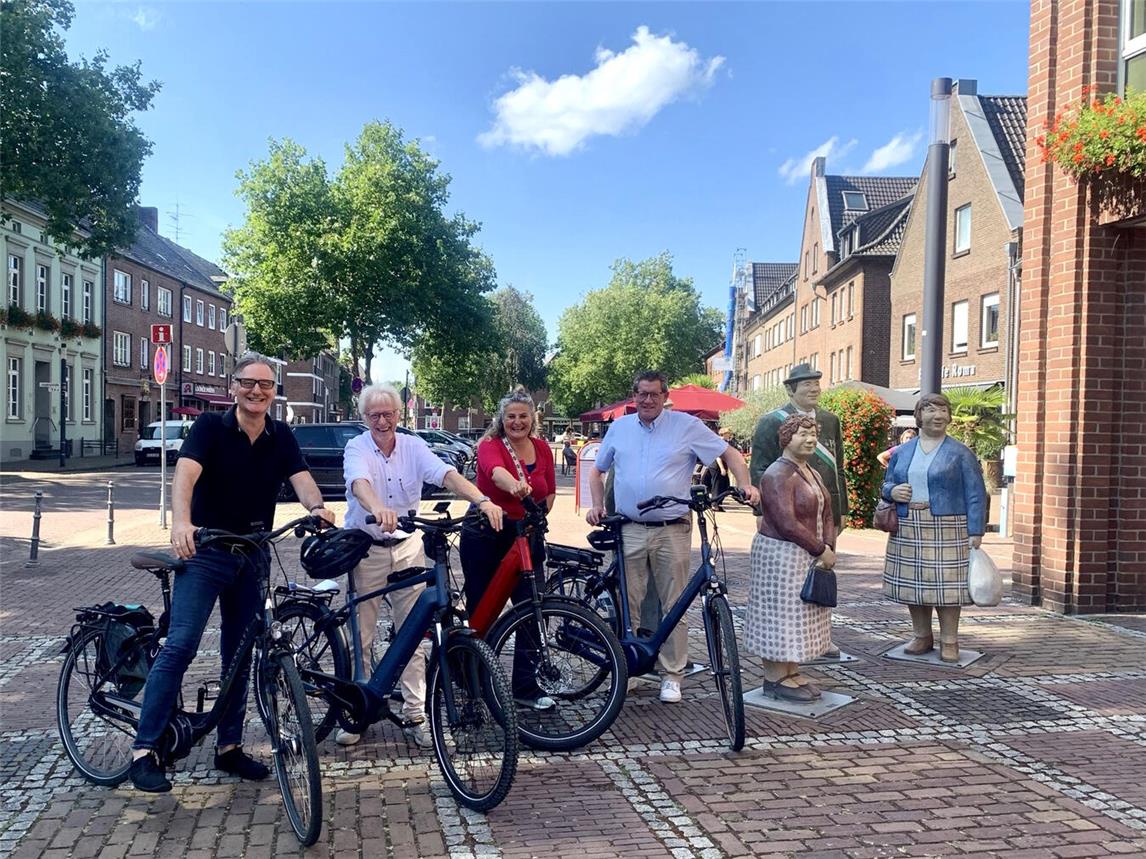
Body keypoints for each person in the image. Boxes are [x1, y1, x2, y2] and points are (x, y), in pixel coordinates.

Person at [129, 353, 336, 793]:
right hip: (206, 551)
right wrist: (181, 523)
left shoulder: (281, 435)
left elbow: (301, 478)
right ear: (233, 386)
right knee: (181, 645)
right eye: (248, 382)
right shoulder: (210, 427)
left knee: (240, 653)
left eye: (265, 384)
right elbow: (185, 476)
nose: (257, 391)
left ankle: (229, 746)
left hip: (254, 553)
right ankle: (144, 751)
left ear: (274, 391)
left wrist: (317, 507)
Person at [337, 384, 504, 747]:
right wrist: (377, 507)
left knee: (413, 633)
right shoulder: (357, 447)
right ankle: (357, 712)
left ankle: (416, 715)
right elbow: (359, 482)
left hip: (407, 547)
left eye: (388, 414)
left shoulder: (413, 446)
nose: (382, 421)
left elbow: (444, 474)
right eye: (374, 415)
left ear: (399, 414)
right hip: (366, 548)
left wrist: (481, 499)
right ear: (364, 418)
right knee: (361, 635)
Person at [586, 371, 760, 703]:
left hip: (672, 529)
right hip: (629, 528)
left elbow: (731, 454)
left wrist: (745, 484)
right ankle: (627, 669)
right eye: (642, 394)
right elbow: (597, 471)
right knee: (627, 603)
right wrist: (597, 505)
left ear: (666, 397)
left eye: (654, 394)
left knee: (674, 604)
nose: (647, 400)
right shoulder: (620, 428)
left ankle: (671, 674)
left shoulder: (686, 426)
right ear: (634, 395)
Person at [460, 388, 557, 708]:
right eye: (511, 416)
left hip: (525, 535)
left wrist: (537, 514)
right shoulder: (491, 444)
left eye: (523, 416)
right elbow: (495, 472)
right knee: (483, 607)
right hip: (486, 533)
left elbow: (549, 491)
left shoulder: (542, 448)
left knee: (533, 607)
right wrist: (515, 485)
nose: (517, 422)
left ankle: (525, 687)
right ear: (502, 419)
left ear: (533, 418)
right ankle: (474, 681)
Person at [750, 362, 847, 658]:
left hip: (821, 506)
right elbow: (759, 467)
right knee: (791, 585)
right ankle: (790, 648)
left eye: (816, 383)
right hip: (787, 509)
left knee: (821, 572)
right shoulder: (771, 421)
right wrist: (761, 511)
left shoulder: (830, 420)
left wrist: (841, 508)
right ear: (791, 390)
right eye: (806, 384)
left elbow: (839, 467)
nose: (814, 389)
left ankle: (820, 636)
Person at [882, 393, 986, 663]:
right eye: (930, 410)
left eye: (942, 411)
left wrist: (976, 530)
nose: (937, 416)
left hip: (949, 524)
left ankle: (949, 640)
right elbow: (886, 484)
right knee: (914, 585)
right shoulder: (902, 452)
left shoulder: (960, 453)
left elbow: (975, 493)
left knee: (948, 587)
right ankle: (922, 635)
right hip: (908, 523)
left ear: (949, 417)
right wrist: (893, 491)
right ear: (919, 416)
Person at [746, 415, 836, 701]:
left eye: (813, 435)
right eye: (803, 434)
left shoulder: (811, 472)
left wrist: (829, 545)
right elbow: (786, 523)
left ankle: (791, 671)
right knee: (779, 615)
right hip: (780, 556)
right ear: (787, 438)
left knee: (799, 614)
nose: (810, 440)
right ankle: (775, 677)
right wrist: (820, 549)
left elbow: (828, 512)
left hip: (806, 555)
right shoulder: (776, 474)